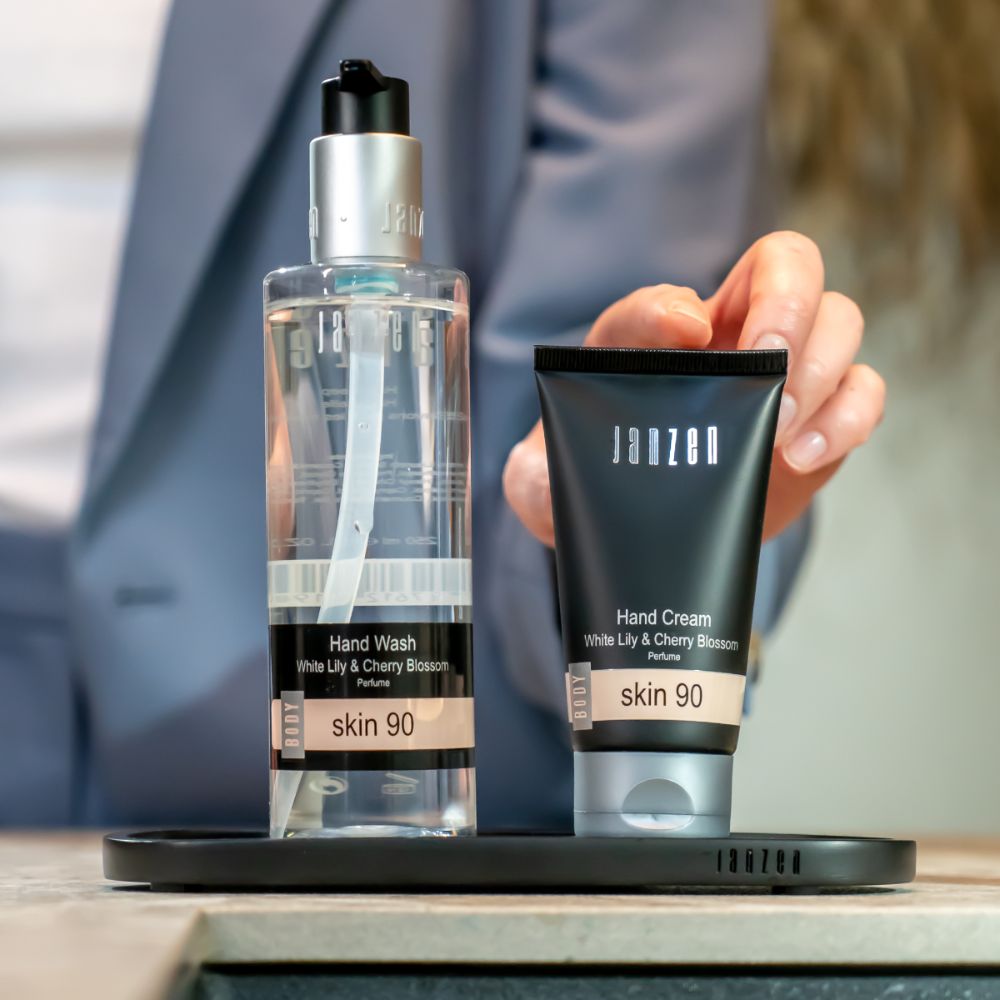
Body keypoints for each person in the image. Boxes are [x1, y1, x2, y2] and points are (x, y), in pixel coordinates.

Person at [0, 0, 883, 830]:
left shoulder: (423, 300)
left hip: (374, 788)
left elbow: (604, 364)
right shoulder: (300, 300)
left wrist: (635, 513)